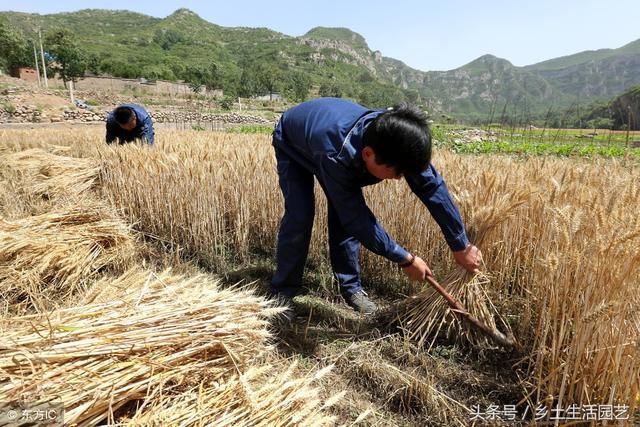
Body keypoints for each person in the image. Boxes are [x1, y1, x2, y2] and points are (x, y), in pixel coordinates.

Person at [270, 97, 482, 314]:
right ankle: (284, 290)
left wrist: (460, 244)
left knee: (342, 221)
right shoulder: (338, 155)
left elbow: (432, 188)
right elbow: (356, 218)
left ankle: (351, 288)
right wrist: (405, 259)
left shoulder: (400, 140)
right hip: (293, 143)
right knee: (300, 216)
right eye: (397, 173)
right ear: (368, 155)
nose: (400, 179)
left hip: (325, 138)